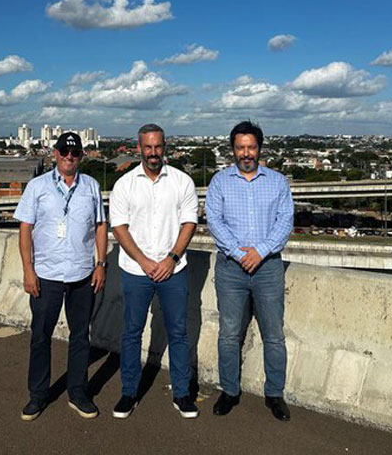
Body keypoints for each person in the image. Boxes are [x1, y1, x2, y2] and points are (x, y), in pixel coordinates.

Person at [13, 131, 108, 421]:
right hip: (47, 274)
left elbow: (101, 226)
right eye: (64, 152)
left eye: (75, 153)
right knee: (41, 337)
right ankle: (38, 395)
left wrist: (101, 263)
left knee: (80, 337)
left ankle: (78, 393)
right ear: (55, 154)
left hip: (81, 274)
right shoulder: (37, 187)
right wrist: (28, 270)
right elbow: (25, 229)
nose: (69, 157)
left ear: (81, 155)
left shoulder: (90, 186)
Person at [109, 123, 199, 419]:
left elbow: (189, 223)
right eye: (147, 147)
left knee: (178, 332)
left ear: (165, 147)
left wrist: (171, 259)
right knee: (132, 332)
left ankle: (183, 394)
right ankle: (129, 392)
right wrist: (145, 262)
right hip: (136, 270)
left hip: (174, 269)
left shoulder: (182, 181)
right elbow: (119, 228)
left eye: (158, 146)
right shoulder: (125, 184)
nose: (153, 152)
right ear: (139, 148)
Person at [206, 120, 294, 421]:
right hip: (231, 268)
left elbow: (285, 222)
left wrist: (260, 251)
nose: (246, 153)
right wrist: (238, 253)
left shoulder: (278, 181)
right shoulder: (219, 181)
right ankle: (229, 391)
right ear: (233, 150)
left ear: (260, 148)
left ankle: (275, 394)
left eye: (251, 147)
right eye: (241, 147)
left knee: (274, 334)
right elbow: (214, 221)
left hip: (268, 267)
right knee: (229, 334)